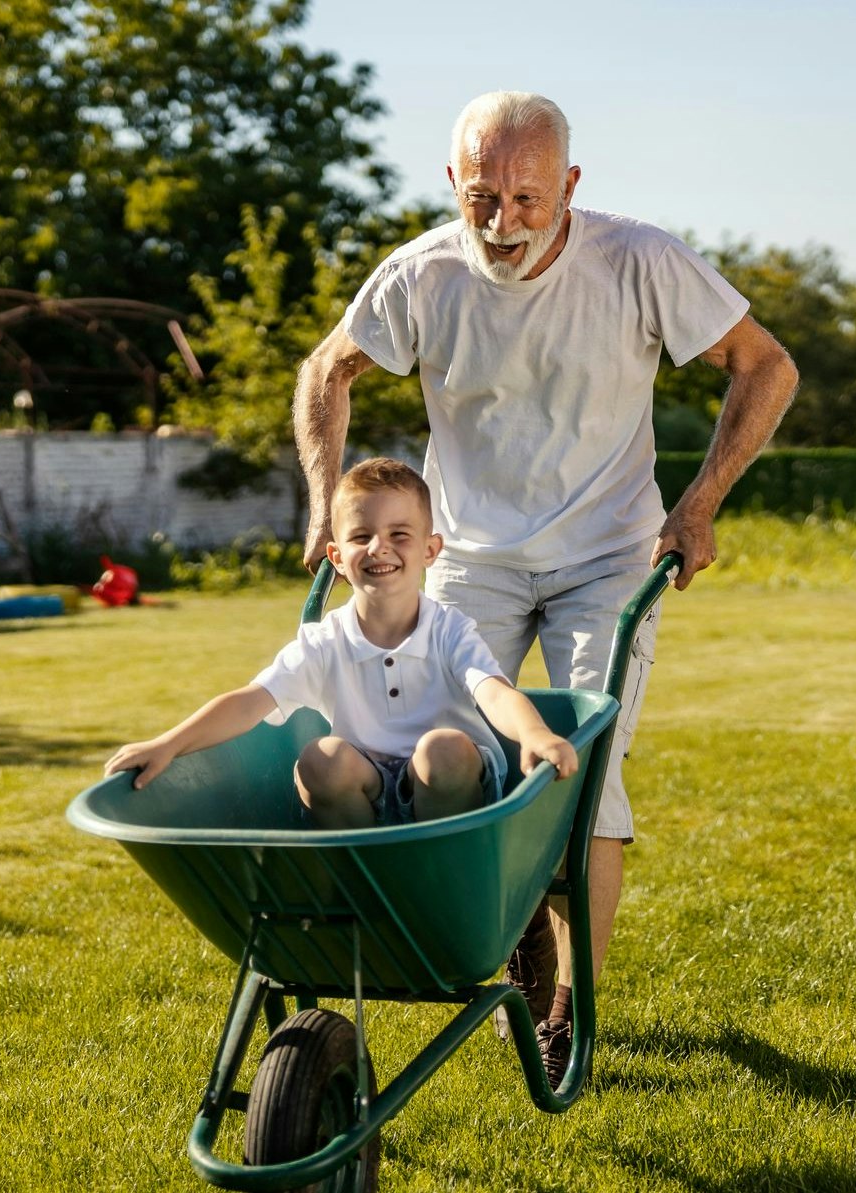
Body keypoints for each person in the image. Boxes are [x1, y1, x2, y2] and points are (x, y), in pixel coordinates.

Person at [291, 91, 800, 1079]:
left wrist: (698, 503)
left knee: (583, 771)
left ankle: (570, 1009)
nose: (503, 222)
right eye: (481, 197)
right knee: (436, 751)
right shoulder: (424, 274)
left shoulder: (637, 260)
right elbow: (327, 371)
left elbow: (763, 365)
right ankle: (517, 922)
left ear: (569, 185)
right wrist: (322, 506)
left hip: (606, 556)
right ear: (453, 182)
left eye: (527, 199)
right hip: (468, 557)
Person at [104, 457, 580, 829]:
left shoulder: (448, 630)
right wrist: (168, 744)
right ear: (336, 556)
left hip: (452, 788)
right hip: (366, 790)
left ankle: (441, 873)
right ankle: (371, 878)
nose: (379, 547)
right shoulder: (324, 641)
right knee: (320, 758)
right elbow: (250, 702)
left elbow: (495, 693)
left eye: (399, 534)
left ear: (430, 550)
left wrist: (535, 734)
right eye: (361, 536)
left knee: (442, 749)